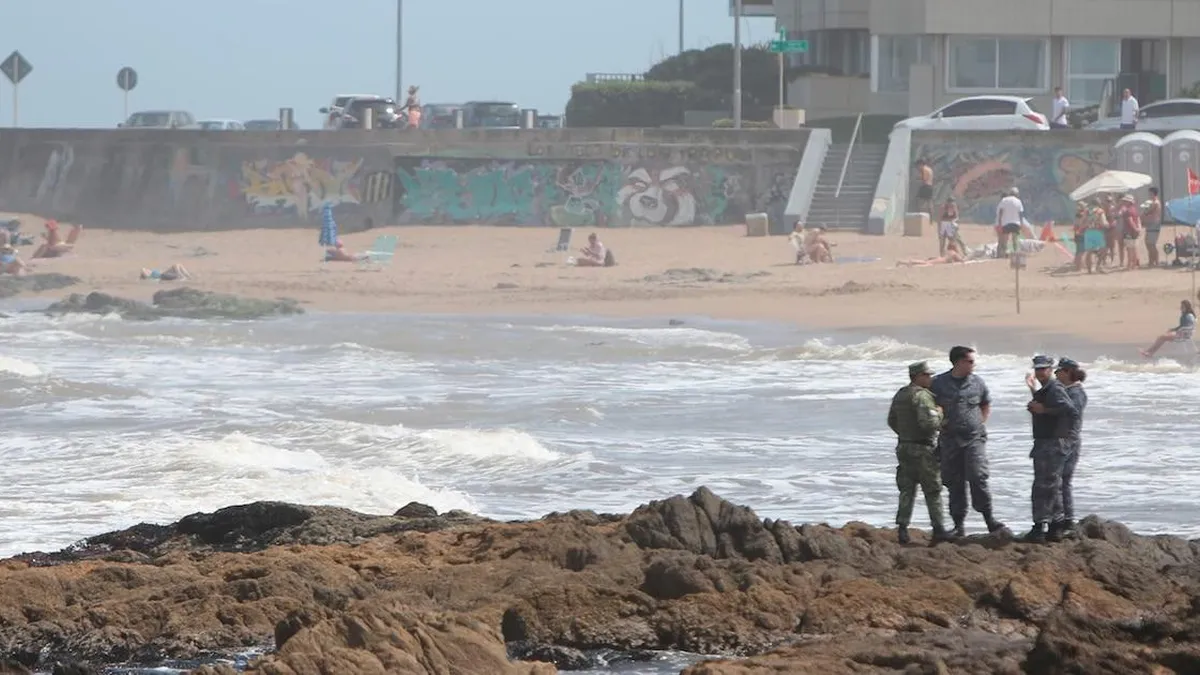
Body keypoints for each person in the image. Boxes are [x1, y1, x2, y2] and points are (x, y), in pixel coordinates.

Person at [930, 346, 1007, 538]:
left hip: (974, 438)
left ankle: (990, 520)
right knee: (954, 482)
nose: (974, 365)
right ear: (958, 362)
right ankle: (958, 525)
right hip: (950, 440)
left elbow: (985, 403)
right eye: (970, 361)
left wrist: (980, 421)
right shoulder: (939, 383)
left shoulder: (977, 382)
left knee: (977, 476)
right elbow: (929, 406)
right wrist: (939, 421)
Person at [887, 361, 955, 545]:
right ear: (917, 376)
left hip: (904, 447)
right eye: (927, 375)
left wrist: (905, 434)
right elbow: (929, 423)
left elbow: (891, 420)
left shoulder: (901, 394)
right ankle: (939, 529)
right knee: (932, 490)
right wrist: (940, 414)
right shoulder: (922, 396)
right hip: (923, 449)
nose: (930, 378)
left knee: (907, 489)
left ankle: (902, 528)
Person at [1022, 355, 1078, 543]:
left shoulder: (1055, 388)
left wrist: (1043, 410)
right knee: (1046, 485)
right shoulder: (1047, 389)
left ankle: (1049, 525)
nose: (1040, 373)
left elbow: (1070, 410)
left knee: (1048, 486)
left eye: (1043, 369)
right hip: (1046, 442)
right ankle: (1051, 524)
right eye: (1037, 369)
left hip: (1053, 443)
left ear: (1050, 369)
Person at [1051, 358, 1087, 541]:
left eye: (1058, 372)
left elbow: (1069, 413)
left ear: (1066, 373)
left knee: (1061, 482)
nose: (1056, 375)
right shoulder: (1070, 391)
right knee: (1061, 482)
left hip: (1068, 441)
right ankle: (1065, 518)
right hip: (1068, 440)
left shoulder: (1076, 393)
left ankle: (1067, 520)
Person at [996, 188, 1024, 258]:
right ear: (1016, 194)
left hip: (1006, 223)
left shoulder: (1004, 200)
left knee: (1005, 240)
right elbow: (1020, 214)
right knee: (1015, 239)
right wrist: (1021, 223)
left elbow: (1000, 212)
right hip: (1016, 223)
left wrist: (1000, 222)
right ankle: (1015, 252)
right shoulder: (1018, 201)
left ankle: (1006, 252)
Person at [897, 239, 965, 267]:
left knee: (924, 262)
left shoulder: (947, 252)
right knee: (925, 264)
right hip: (940, 260)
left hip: (939, 258)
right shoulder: (953, 253)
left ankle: (904, 262)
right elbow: (961, 260)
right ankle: (907, 263)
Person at [1118, 194, 1142, 269]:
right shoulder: (1135, 209)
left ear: (1128, 202)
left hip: (1129, 231)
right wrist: (1138, 228)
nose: (1124, 202)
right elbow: (1138, 219)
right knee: (1134, 248)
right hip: (1135, 232)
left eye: (1125, 201)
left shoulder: (1127, 211)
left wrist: (1135, 229)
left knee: (1129, 249)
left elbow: (1130, 221)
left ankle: (1129, 265)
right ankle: (1134, 264)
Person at [1142, 187, 1163, 267]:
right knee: (1148, 243)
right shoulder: (1152, 202)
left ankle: (1156, 262)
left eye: (1150, 193)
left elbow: (1147, 211)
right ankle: (1151, 261)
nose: (1149, 195)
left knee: (1151, 244)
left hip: (1154, 224)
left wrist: (1143, 214)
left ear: (1153, 193)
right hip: (1150, 224)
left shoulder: (1156, 203)